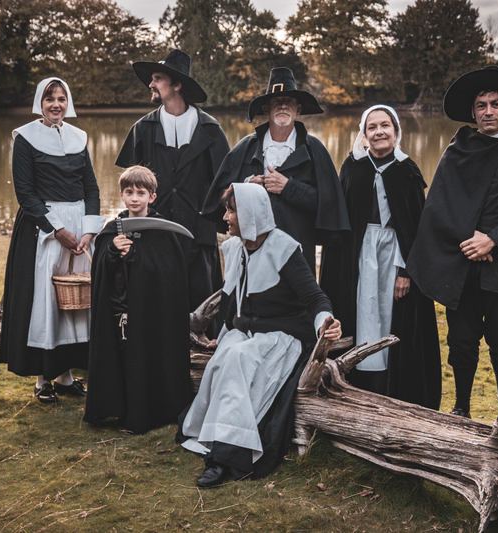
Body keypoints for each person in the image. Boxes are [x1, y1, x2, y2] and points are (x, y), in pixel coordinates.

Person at [178, 183, 342, 488]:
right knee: (226, 353)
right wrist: (223, 334)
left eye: (231, 210)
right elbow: (231, 302)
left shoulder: (284, 249)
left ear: (251, 215)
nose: (225, 217)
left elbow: (314, 298)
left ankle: (223, 457)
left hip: (282, 337)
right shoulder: (236, 247)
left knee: (238, 357)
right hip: (248, 333)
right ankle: (214, 437)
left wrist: (325, 322)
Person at [406, 66, 498, 420]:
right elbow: (439, 207)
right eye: (481, 105)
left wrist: (493, 240)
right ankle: (461, 409)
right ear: (473, 112)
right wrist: (465, 243)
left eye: (495, 104)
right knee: (462, 344)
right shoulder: (456, 151)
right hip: (462, 267)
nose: (488, 111)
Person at [320, 105, 442, 407]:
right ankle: (358, 381)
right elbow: (340, 218)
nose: (379, 132)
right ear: (364, 133)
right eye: (372, 127)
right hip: (359, 254)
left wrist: (405, 271)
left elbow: (414, 226)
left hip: (394, 253)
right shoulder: (352, 167)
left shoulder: (408, 172)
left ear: (396, 131)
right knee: (363, 312)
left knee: (391, 315)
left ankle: (393, 387)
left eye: (385, 125)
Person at [0, 77, 105, 404]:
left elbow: (91, 189)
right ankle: (43, 380)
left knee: (76, 305)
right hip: (43, 229)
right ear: (39, 103)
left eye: (61, 98)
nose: (56, 104)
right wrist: (58, 230)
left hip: (79, 230)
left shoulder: (78, 137)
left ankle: (66, 376)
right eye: (50, 99)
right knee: (47, 303)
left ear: (67, 102)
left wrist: (88, 230)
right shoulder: (26, 138)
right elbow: (25, 194)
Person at [115, 50, 230, 326]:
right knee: (155, 304)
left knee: (203, 307)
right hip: (154, 234)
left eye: (157, 79)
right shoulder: (142, 129)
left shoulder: (210, 130)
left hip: (199, 239)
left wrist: (208, 220)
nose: (151, 85)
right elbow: (131, 185)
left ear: (177, 85)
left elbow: (224, 185)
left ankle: (204, 364)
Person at [201, 67, 350, 273]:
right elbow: (218, 200)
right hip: (252, 250)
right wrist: (245, 189)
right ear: (266, 110)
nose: (283, 105)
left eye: (289, 101)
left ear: (298, 110)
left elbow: (330, 205)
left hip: (297, 250)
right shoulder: (245, 148)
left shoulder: (315, 149)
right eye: (276, 102)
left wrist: (289, 187)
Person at [83, 166, 192, 435]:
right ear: (121, 195)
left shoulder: (163, 232)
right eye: (129, 192)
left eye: (141, 193)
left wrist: (135, 258)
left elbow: (169, 275)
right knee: (120, 361)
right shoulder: (111, 230)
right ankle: (118, 409)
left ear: (152, 197)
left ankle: (144, 414)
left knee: (144, 360)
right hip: (118, 309)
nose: (134, 198)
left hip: (151, 313)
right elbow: (99, 271)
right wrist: (111, 251)